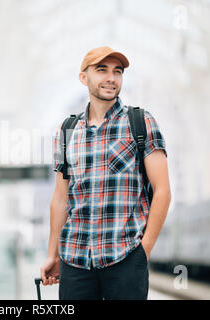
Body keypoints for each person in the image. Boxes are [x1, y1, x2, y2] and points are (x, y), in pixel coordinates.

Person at [40, 46, 171, 300]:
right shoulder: (67, 131)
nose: (111, 78)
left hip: (124, 257)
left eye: (117, 72)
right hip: (75, 260)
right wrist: (52, 254)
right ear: (83, 78)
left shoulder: (140, 123)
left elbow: (163, 191)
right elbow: (59, 199)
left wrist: (144, 251)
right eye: (102, 70)